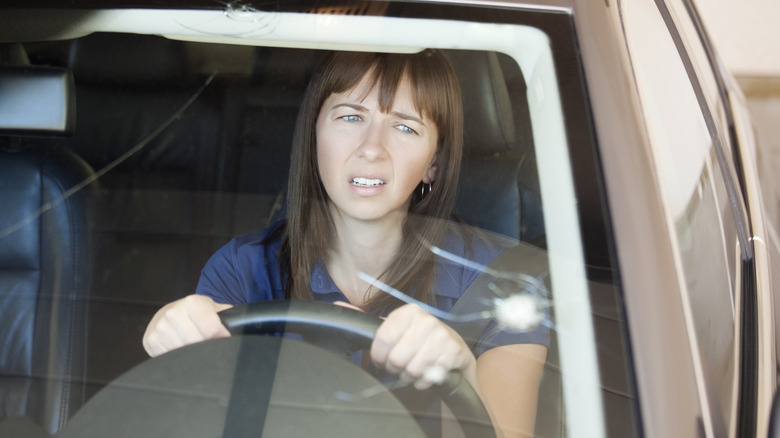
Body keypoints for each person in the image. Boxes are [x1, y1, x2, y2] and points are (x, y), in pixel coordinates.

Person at [143, 50, 548, 438]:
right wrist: (179, 336)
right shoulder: (242, 268)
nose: (372, 148)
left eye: (405, 126)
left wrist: (464, 370)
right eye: (351, 116)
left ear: (433, 164)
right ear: (314, 134)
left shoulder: (504, 285)